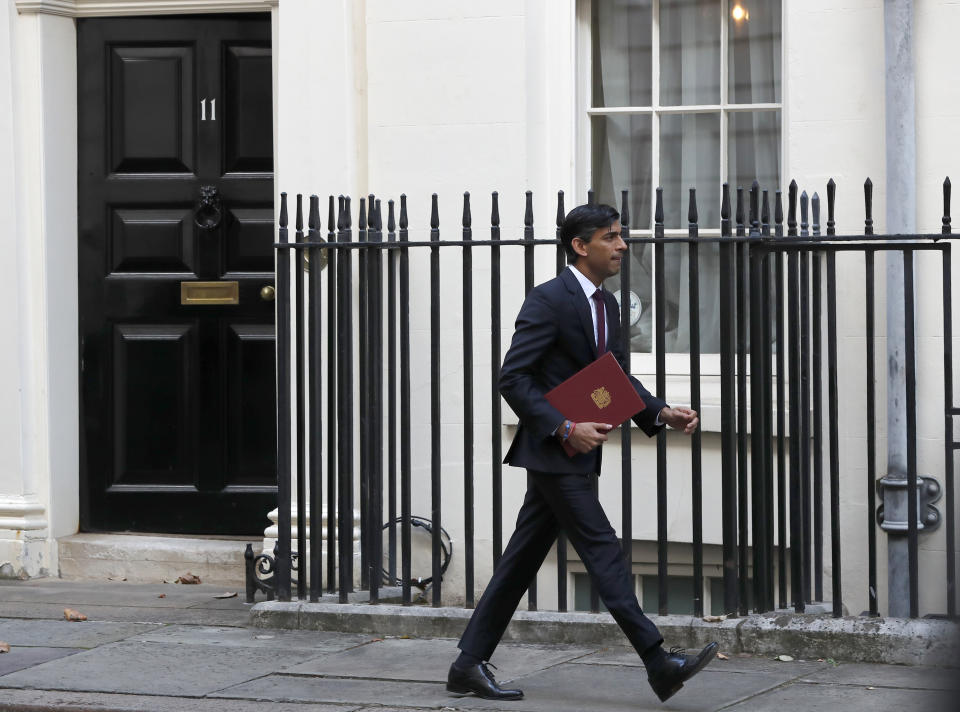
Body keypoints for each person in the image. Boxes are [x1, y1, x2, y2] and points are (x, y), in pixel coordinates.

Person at [446, 203, 718, 704]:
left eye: (621, 236)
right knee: (602, 549)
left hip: (570, 456)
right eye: (611, 237)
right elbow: (514, 378)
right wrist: (565, 426)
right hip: (553, 452)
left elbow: (613, 379)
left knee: (519, 562)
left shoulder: (609, 305)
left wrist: (659, 413)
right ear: (580, 246)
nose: (622, 246)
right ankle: (658, 662)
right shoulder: (549, 299)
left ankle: (466, 666)